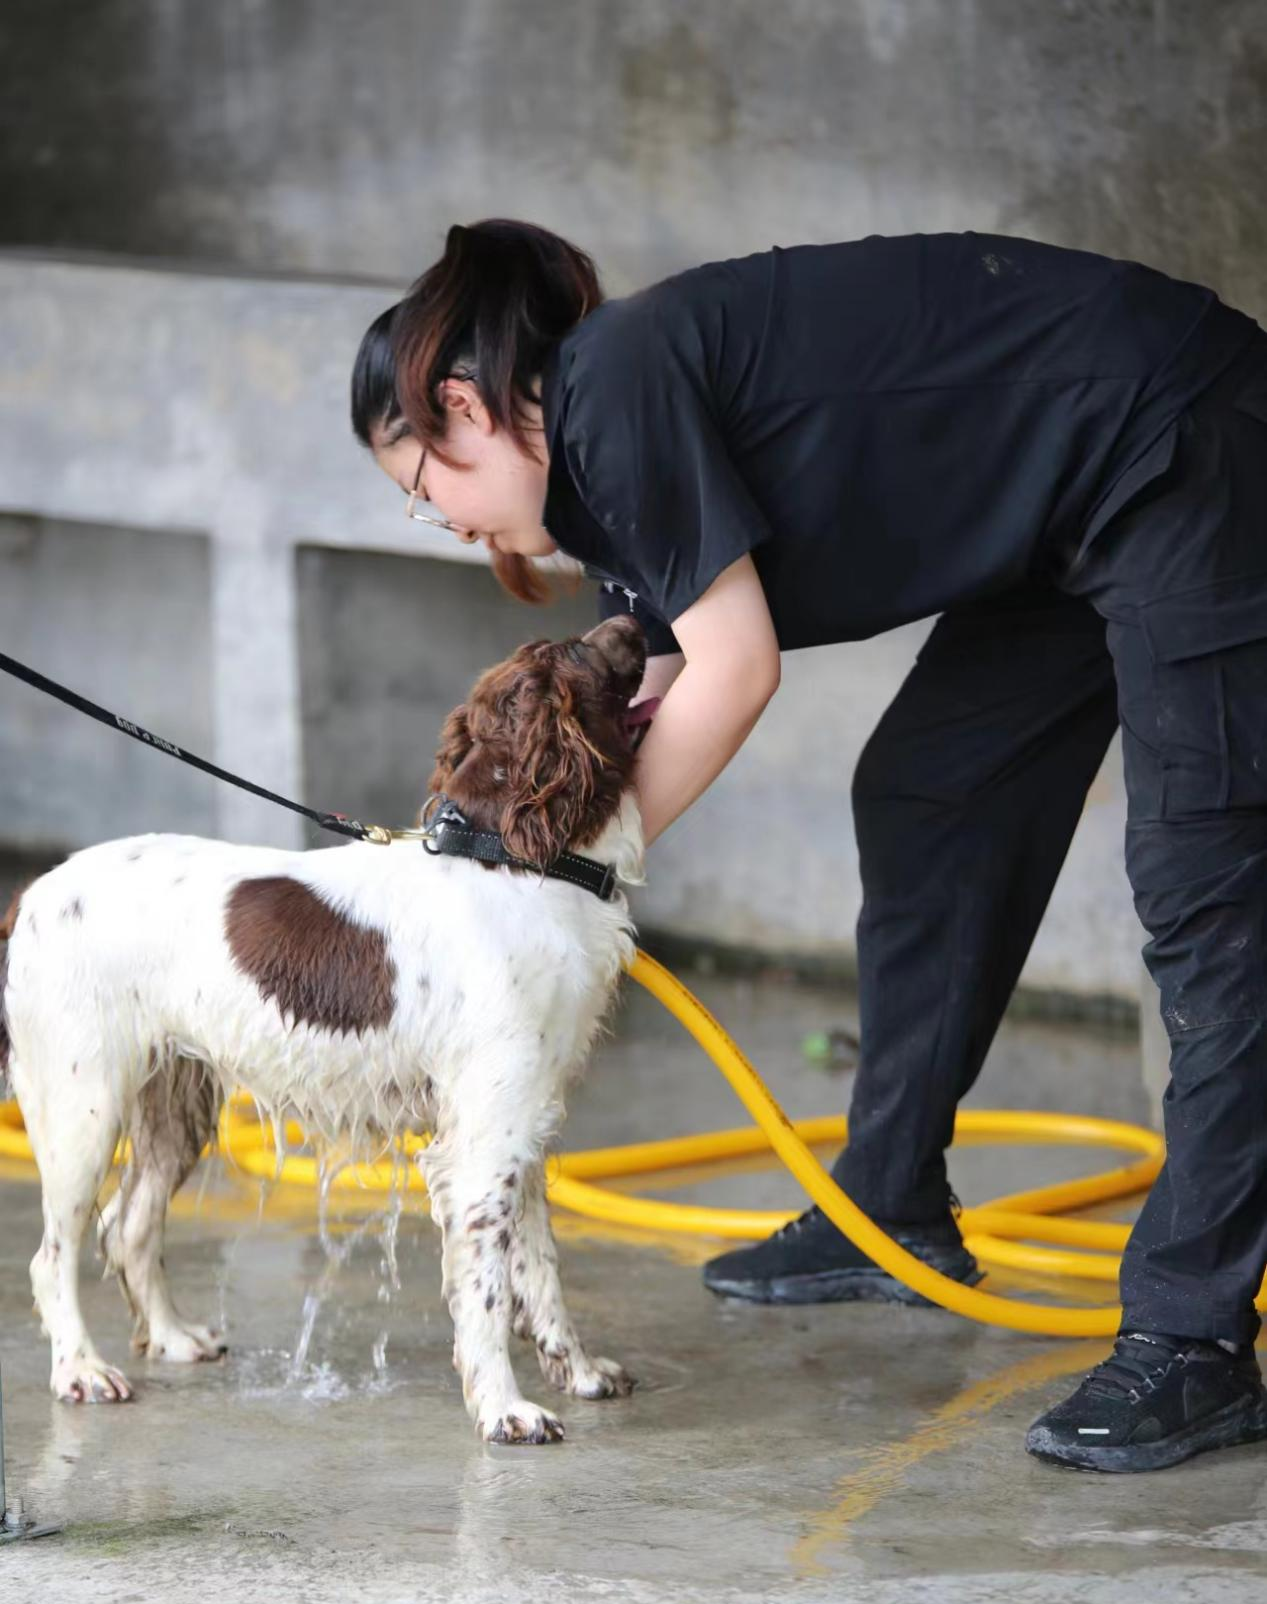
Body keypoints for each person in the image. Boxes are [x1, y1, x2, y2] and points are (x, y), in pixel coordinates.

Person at [350, 218, 1267, 1475]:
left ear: (459, 404)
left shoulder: (612, 387)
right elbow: (657, 681)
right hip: (1064, 507)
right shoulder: (603, 488)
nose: (440, 517)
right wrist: (491, 855)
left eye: (422, 485)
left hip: (1176, 442)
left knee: (1208, 904)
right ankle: (886, 1207)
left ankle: (1194, 1338)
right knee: (928, 795)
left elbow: (736, 668)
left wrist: (551, 877)